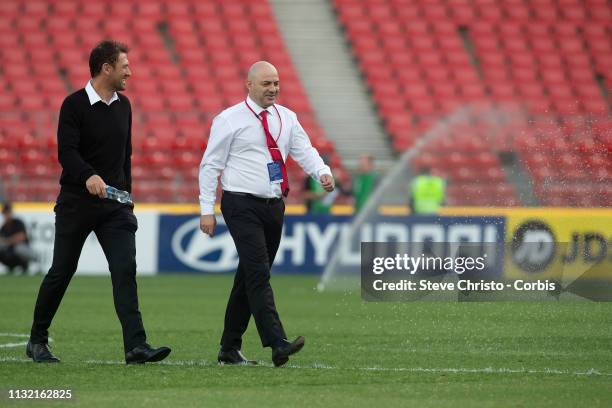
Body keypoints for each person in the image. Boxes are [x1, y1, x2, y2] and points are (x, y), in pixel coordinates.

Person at [27, 41, 170, 364]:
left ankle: (136, 346)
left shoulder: (125, 106)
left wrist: (128, 197)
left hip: (116, 207)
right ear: (106, 68)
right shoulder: (73, 105)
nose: (129, 73)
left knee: (124, 269)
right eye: (124, 67)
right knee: (62, 271)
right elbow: (67, 153)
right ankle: (37, 340)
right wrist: (88, 175)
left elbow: (125, 156)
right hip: (77, 202)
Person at [199, 61, 334, 367]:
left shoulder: (287, 117)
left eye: (276, 83)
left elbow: (304, 149)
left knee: (249, 276)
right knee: (258, 272)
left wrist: (322, 172)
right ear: (249, 85)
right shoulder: (229, 119)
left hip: (274, 206)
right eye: (266, 84)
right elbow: (211, 165)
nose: (273, 89)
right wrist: (206, 209)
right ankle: (277, 342)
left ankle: (229, 349)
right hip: (239, 204)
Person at [0, 202, 37, 274]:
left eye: (8, 212)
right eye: (5, 213)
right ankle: (10, 267)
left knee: (18, 248)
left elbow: (21, 237)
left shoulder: (18, 222)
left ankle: (27, 266)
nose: (7, 215)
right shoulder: (3, 227)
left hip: (23, 251)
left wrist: (7, 241)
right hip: (10, 253)